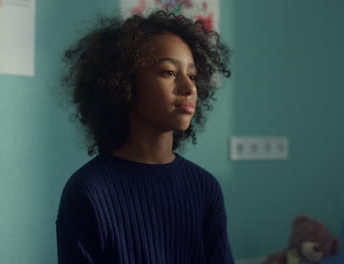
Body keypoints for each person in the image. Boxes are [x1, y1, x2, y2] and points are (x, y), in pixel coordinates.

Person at [56, 10, 234, 264]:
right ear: (124, 83)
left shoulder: (205, 187)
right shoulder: (87, 191)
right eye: (169, 72)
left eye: (192, 76)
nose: (189, 87)